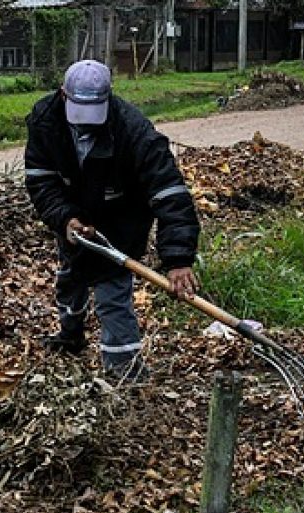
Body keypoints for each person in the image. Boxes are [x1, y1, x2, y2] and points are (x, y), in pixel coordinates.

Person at [23, 59, 201, 381]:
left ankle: (125, 371)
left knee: (112, 295)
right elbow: (41, 180)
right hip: (73, 214)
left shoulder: (134, 132)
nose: (86, 124)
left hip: (122, 219)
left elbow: (170, 193)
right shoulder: (45, 121)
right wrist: (65, 219)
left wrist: (178, 257)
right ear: (63, 95)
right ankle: (70, 336)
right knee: (70, 277)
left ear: (108, 99)